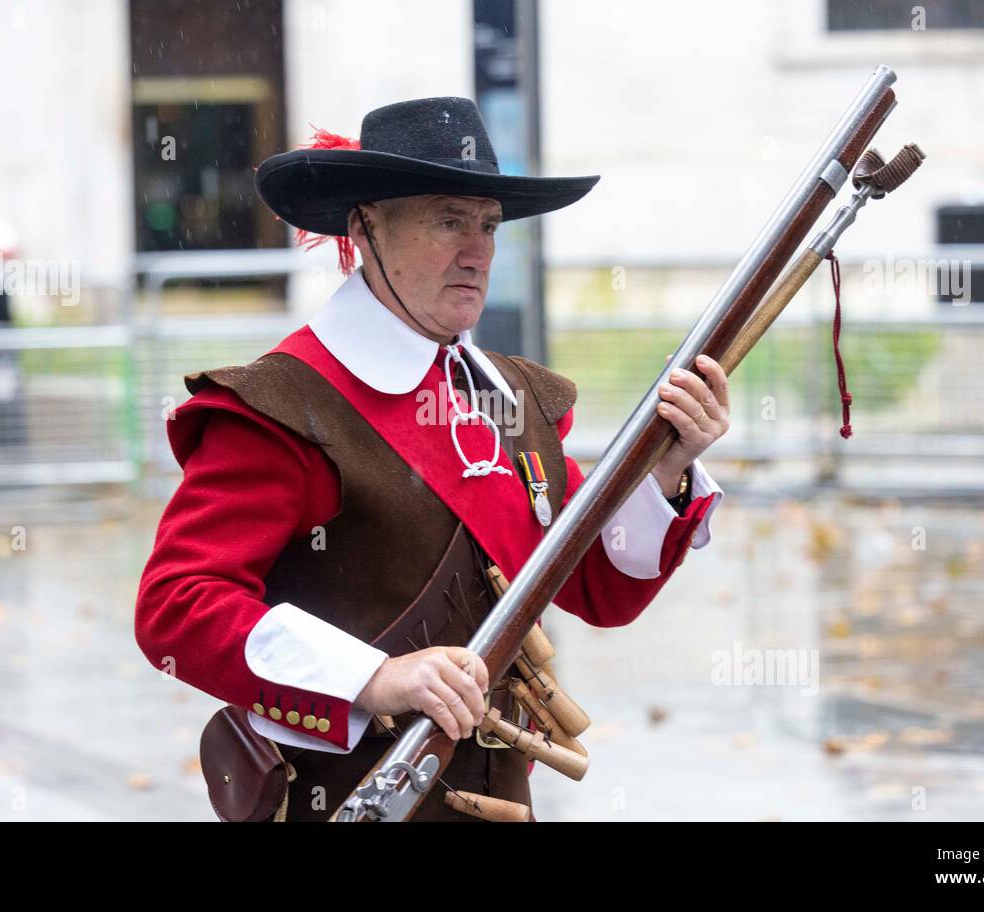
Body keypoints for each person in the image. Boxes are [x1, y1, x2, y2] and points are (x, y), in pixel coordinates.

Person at [135, 96, 729, 821]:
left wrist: (666, 467)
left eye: (487, 225)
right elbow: (176, 607)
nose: (477, 250)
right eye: (449, 220)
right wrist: (374, 677)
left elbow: (598, 587)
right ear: (367, 227)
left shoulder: (511, 398)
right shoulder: (283, 406)